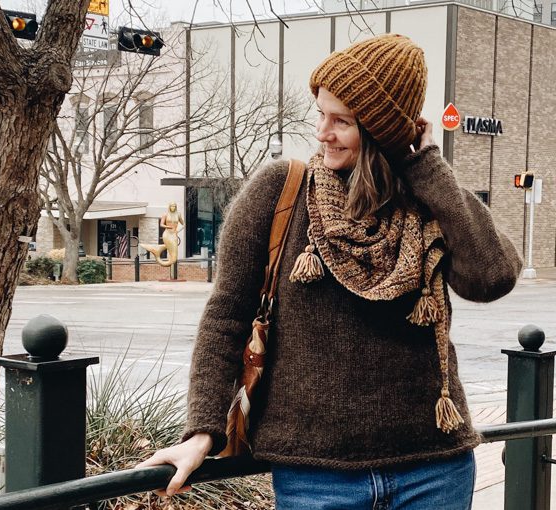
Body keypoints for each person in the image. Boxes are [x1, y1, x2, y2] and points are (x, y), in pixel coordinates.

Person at [137, 34, 522, 509]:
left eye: (341, 120)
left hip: (433, 469)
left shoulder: (424, 199)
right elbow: (227, 315)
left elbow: (493, 276)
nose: (323, 132)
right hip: (315, 478)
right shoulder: (281, 190)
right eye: (321, 114)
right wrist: (202, 432)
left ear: (381, 129)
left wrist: (428, 167)